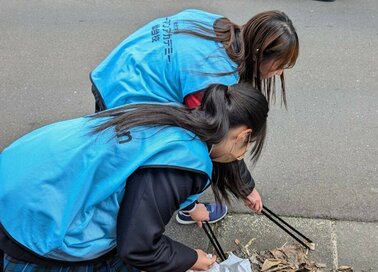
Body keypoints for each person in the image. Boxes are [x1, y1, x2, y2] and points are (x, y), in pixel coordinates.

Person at [0, 83, 269, 272]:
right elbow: (138, 246)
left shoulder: (175, 117)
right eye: (247, 146)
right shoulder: (187, 160)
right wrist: (190, 258)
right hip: (39, 218)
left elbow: (143, 193)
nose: (241, 155)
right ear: (244, 135)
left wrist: (190, 207)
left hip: (20, 177)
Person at [90, 8, 299, 227]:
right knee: (173, 150)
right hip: (124, 96)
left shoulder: (218, 25)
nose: (281, 72)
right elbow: (219, 141)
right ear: (259, 53)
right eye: (280, 65)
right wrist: (245, 187)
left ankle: (181, 206)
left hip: (114, 70)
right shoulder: (213, 78)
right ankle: (164, 215)